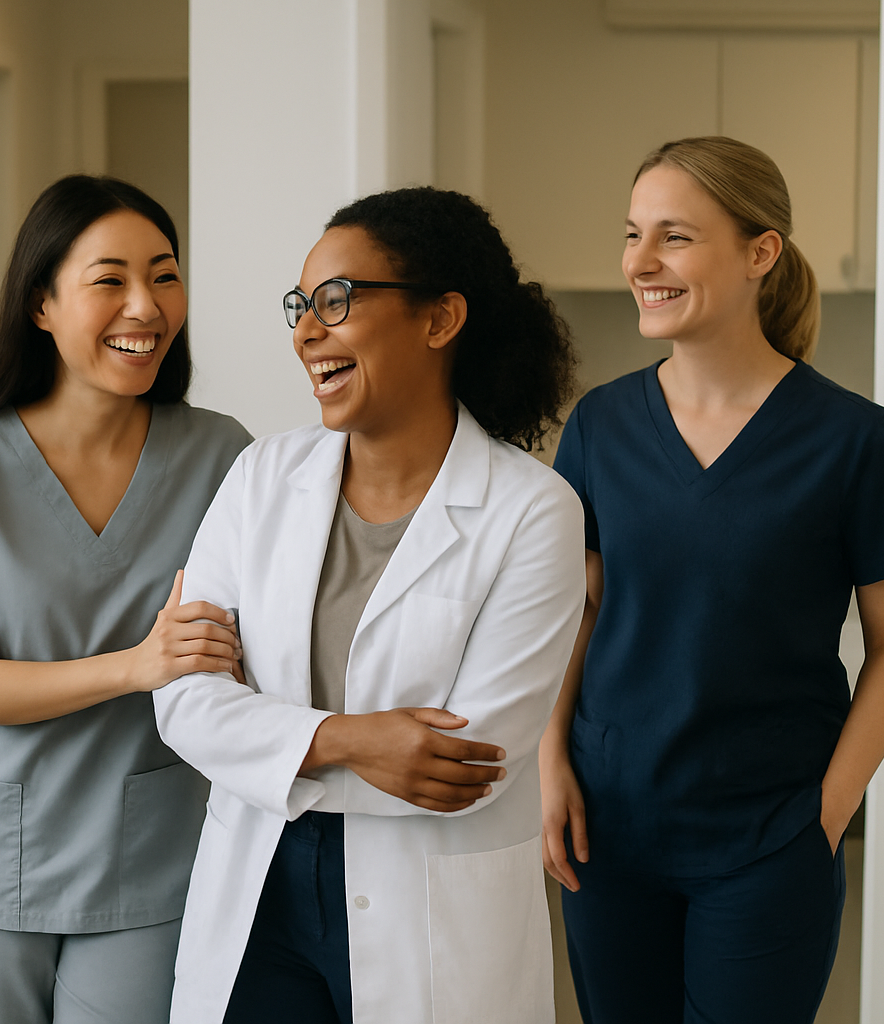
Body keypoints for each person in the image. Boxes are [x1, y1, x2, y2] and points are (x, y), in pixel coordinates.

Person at [152, 186, 587, 1024]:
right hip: (259, 889)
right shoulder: (261, 478)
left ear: (440, 318)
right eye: (300, 306)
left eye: (338, 301)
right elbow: (183, 700)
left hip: (427, 906)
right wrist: (350, 739)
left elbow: (473, 764)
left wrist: (268, 745)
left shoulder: (533, 510)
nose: (306, 331)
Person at [542, 136, 884, 1024]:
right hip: (611, 827)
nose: (639, 262)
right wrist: (549, 762)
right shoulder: (600, 425)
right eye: (633, 233)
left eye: (673, 237)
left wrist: (828, 815)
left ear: (761, 253)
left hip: (771, 838)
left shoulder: (851, 440)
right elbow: (579, 607)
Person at [0, 174, 253, 1024]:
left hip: (152, 850)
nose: (146, 306)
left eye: (164, 275)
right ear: (41, 305)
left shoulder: (224, 455)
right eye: (110, 280)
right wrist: (137, 666)